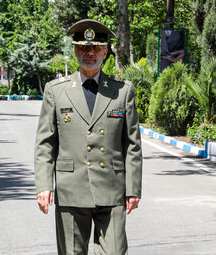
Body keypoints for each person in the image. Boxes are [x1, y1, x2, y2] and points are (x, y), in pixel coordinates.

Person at [34, 19, 142, 255]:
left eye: (96, 49)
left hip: (112, 190)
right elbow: (45, 143)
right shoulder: (56, 90)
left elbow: (132, 144)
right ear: (75, 51)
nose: (90, 53)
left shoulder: (122, 91)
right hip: (71, 189)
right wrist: (43, 185)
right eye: (84, 48)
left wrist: (133, 188)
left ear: (105, 52)